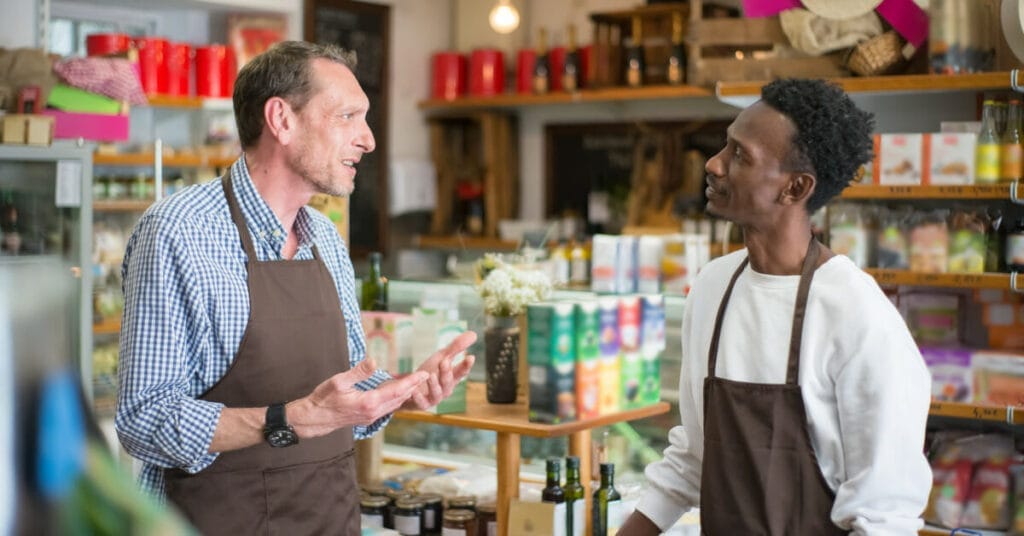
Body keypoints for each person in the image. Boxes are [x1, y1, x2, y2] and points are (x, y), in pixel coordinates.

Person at [115, 41, 475, 534]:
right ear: (281, 120)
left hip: (329, 519)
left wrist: (399, 392)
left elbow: (341, 395)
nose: (368, 140)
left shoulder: (325, 237)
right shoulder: (178, 232)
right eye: (348, 116)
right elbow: (143, 419)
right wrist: (291, 419)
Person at [619, 79, 931, 535]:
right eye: (724, 146)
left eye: (739, 155)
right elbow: (692, 459)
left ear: (795, 187)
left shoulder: (857, 315)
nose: (713, 163)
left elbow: (884, 518)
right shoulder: (713, 287)